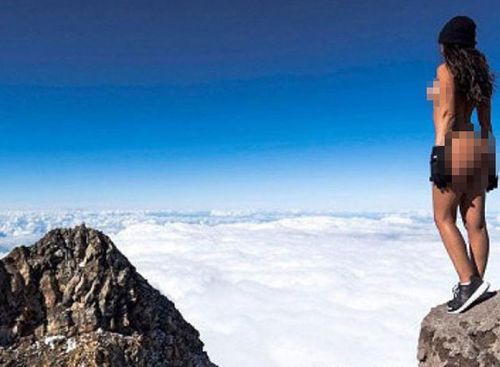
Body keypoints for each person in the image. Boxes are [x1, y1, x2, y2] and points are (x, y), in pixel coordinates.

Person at [427, 15, 497, 314]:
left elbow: (445, 117)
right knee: (476, 223)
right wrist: (491, 163)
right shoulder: (481, 75)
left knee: (443, 218)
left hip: (454, 144)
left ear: (447, 43)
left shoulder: (446, 70)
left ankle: (468, 283)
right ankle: (478, 283)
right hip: (478, 147)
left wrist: (437, 154)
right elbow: (487, 124)